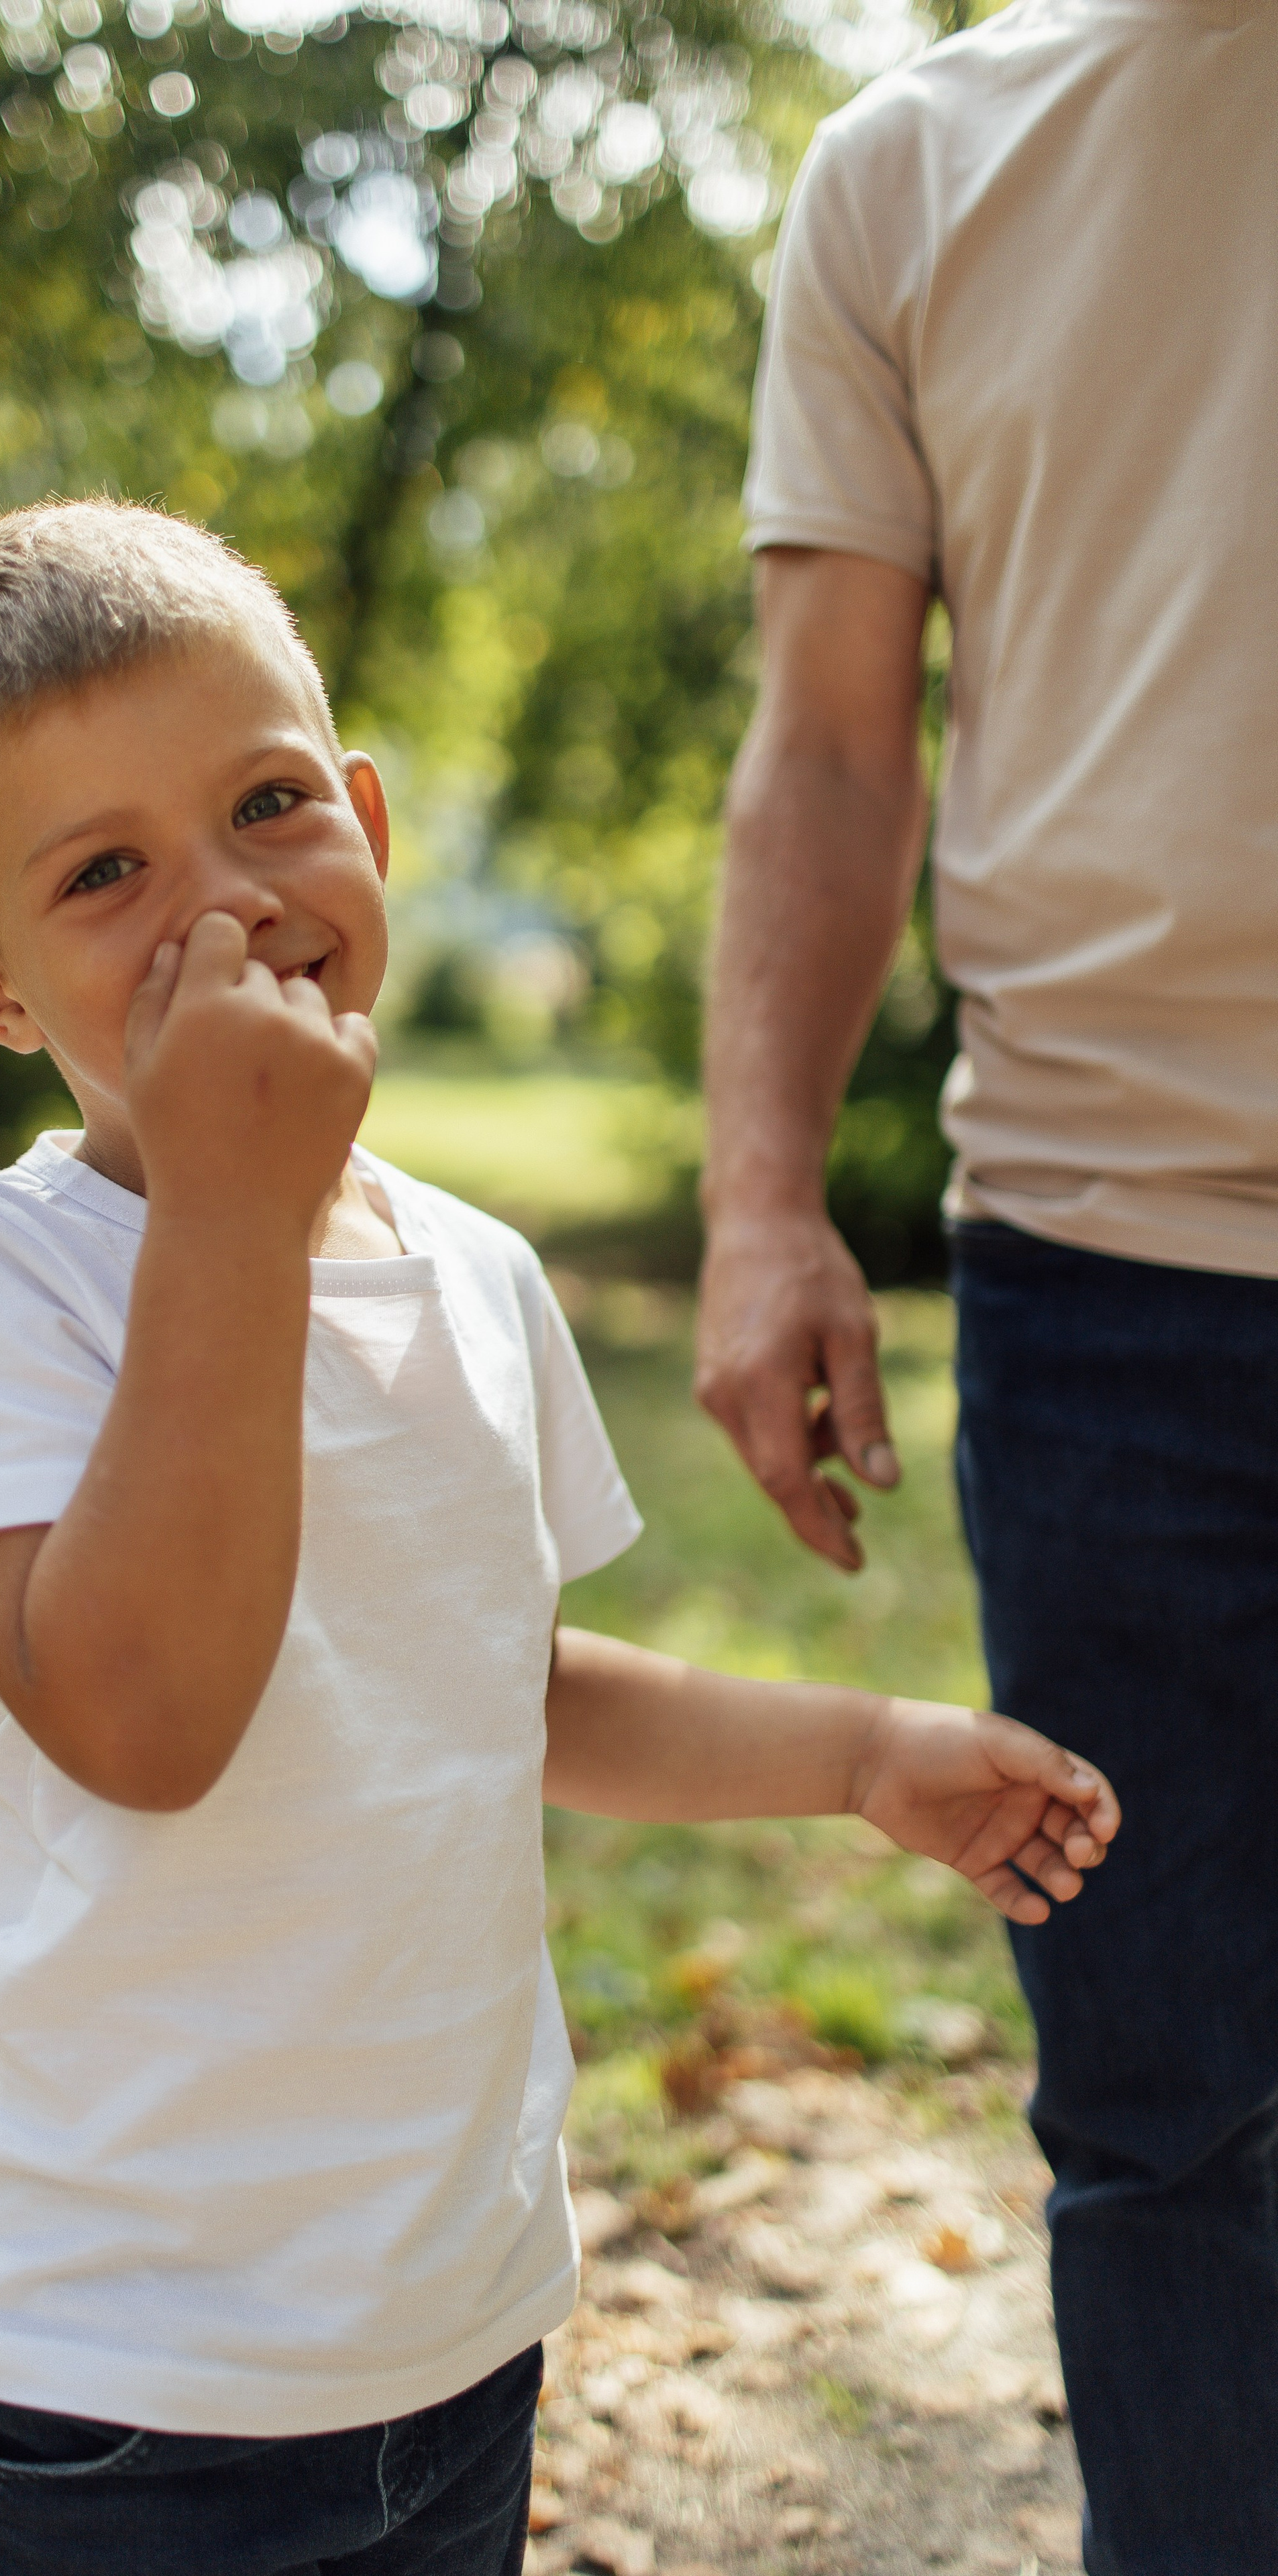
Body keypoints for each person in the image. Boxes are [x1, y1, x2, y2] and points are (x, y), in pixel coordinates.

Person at [0, 499, 1117, 2576]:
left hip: (450, 2325)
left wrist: (861, 1757)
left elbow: (502, 1690)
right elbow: (144, 1717)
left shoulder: (479, 1277)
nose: (219, 903)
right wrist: (236, 1212)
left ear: (366, 816)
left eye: (262, 807)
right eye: (102, 874)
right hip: (127, 2379)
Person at [694, 3, 1278, 2567]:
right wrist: (758, 1196)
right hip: (1106, 1264)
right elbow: (833, 740)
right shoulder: (914, 165)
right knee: (1165, 2114)